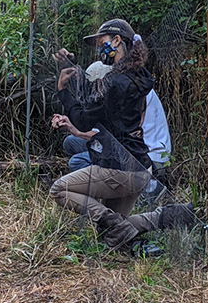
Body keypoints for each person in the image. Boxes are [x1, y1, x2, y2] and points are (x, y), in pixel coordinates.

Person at [50, 19, 192, 250]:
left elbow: (84, 118)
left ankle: (120, 223)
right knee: (109, 235)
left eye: (102, 43)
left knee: (59, 189)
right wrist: (70, 68)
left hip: (118, 168)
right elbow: (98, 100)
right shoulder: (137, 76)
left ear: (117, 40)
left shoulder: (115, 82)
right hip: (140, 169)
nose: (99, 50)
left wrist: (62, 92)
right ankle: (164, 216)